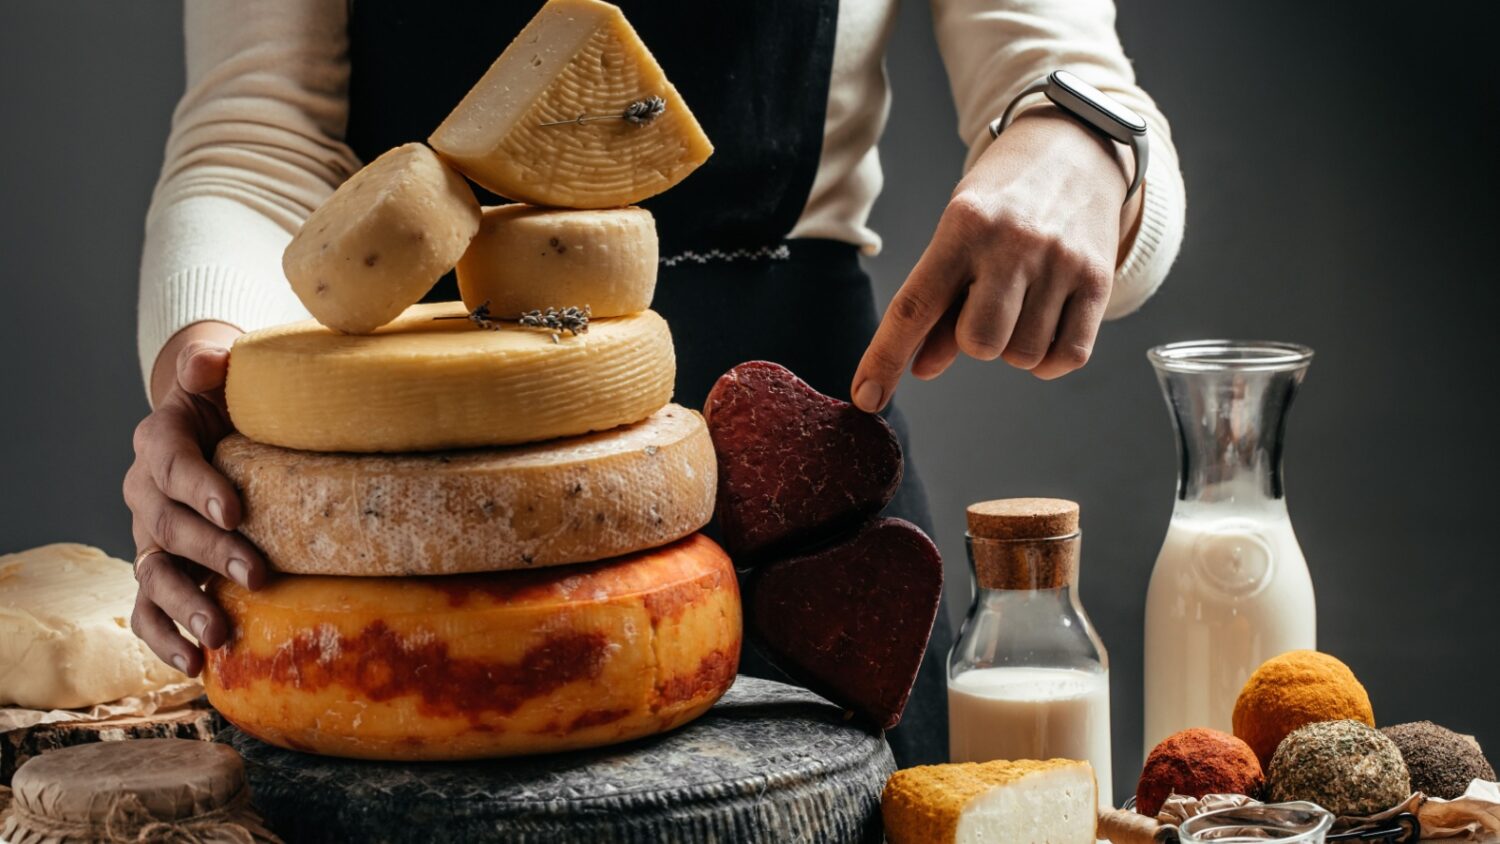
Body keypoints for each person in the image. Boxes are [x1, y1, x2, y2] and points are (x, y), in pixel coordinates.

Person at [124, 0, 1185, 767]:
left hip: (799, 480)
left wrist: (1077, 145)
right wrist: (211, 372)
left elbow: (1064, 68)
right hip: (400, 489)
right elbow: (255, 133)